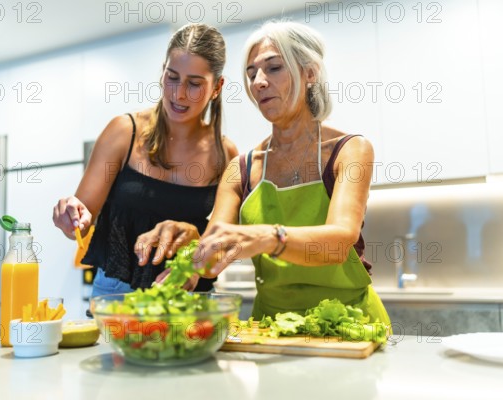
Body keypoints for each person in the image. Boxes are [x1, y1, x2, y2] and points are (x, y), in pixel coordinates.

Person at [135, 20, 390, 325]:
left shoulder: (350, 150)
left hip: (348, 322)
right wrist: (191, 249)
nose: (258, 82)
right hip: (271, 328)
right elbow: (214, 251)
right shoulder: (241, 168)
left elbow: (337, 244)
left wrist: (269, 237)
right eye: (252, 73)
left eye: (273, 68)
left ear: (310, 73)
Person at [53, 23, 238, 297]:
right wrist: (70, 216)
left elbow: (223, 242)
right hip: (117, 291)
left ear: (217, 87)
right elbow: (79, 223)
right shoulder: (124, 131)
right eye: (172, 77)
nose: (179, 93)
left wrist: (193, 269)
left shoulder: (225, 154)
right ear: (163, 70)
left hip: (189, 292)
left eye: (195, 84)